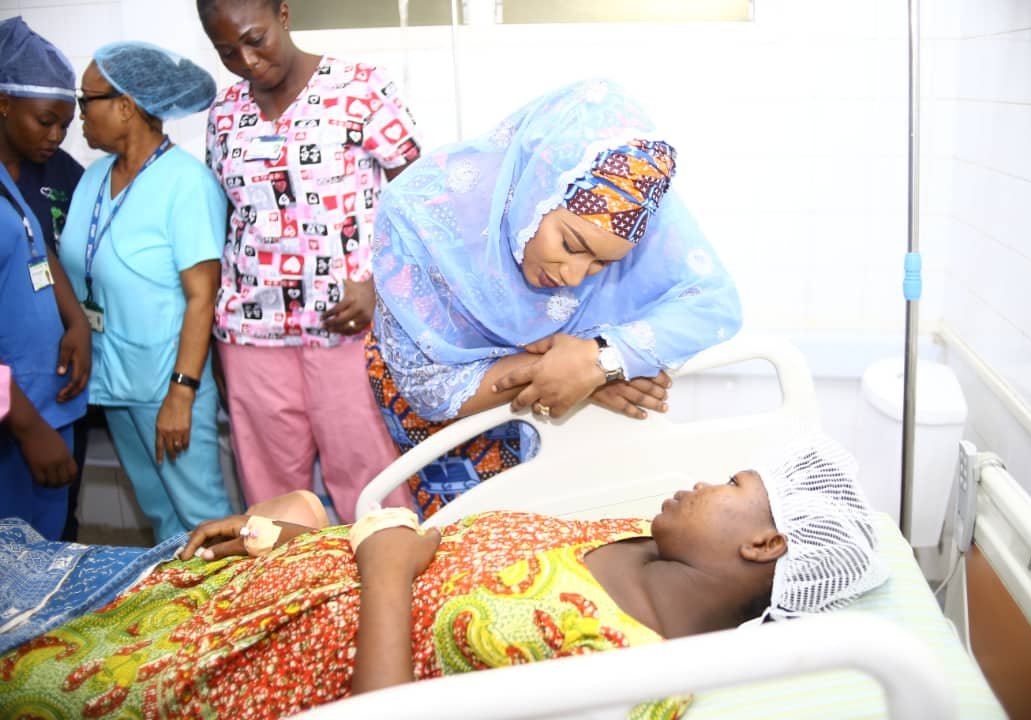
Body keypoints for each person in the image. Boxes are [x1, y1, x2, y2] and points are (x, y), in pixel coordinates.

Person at [0, 438, 889, 718]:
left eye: (733, 487)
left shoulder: (616, 667)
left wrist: (381, 570)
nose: (702, 480)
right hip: (227, 584)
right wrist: (306, 523)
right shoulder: (634, 536)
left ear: (766, 549)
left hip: (205, 673)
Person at [367, 79, 742, 517]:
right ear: (535, 188)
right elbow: (429, 388)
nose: (574, 275)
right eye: (570, 244)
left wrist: (601, 359)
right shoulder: (419, 216)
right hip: (447, 417)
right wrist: (575, 376)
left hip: (567, 413)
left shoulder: (628, 206)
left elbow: (713, 302)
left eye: (601, 264)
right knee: (468, 547)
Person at [197, 0, 422, 522]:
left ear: (283, 13)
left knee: (371, 482)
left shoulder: (361, 88)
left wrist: (375, 280)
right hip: (252, 331)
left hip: (347, 326)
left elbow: (415, 201)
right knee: (271, 500)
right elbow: (231, 219)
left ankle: (389, 591)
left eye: (255, 39)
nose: (247, 61)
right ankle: (293, 598)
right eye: (227, 51)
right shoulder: (224, 114)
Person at [57, 42, 231, 542]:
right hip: (114, 381)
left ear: (126, 107)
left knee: (205, 521)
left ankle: (229, 615)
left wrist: (181, 391)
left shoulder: (187, 183)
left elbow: (203, 296)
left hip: (166, 386)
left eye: (87, 101)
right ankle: (176, 616)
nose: (79, 114)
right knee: (161, 518)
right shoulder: (92, 179)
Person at [1, 17, 94, 543]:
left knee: (41, 555)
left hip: (45, 398)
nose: (57, 137)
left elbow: (38, 248)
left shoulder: (13, 180)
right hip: (18, 416)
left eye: (65, 124)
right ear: (3, 104)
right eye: (45, 122)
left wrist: (75, 321)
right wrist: (28, 424)